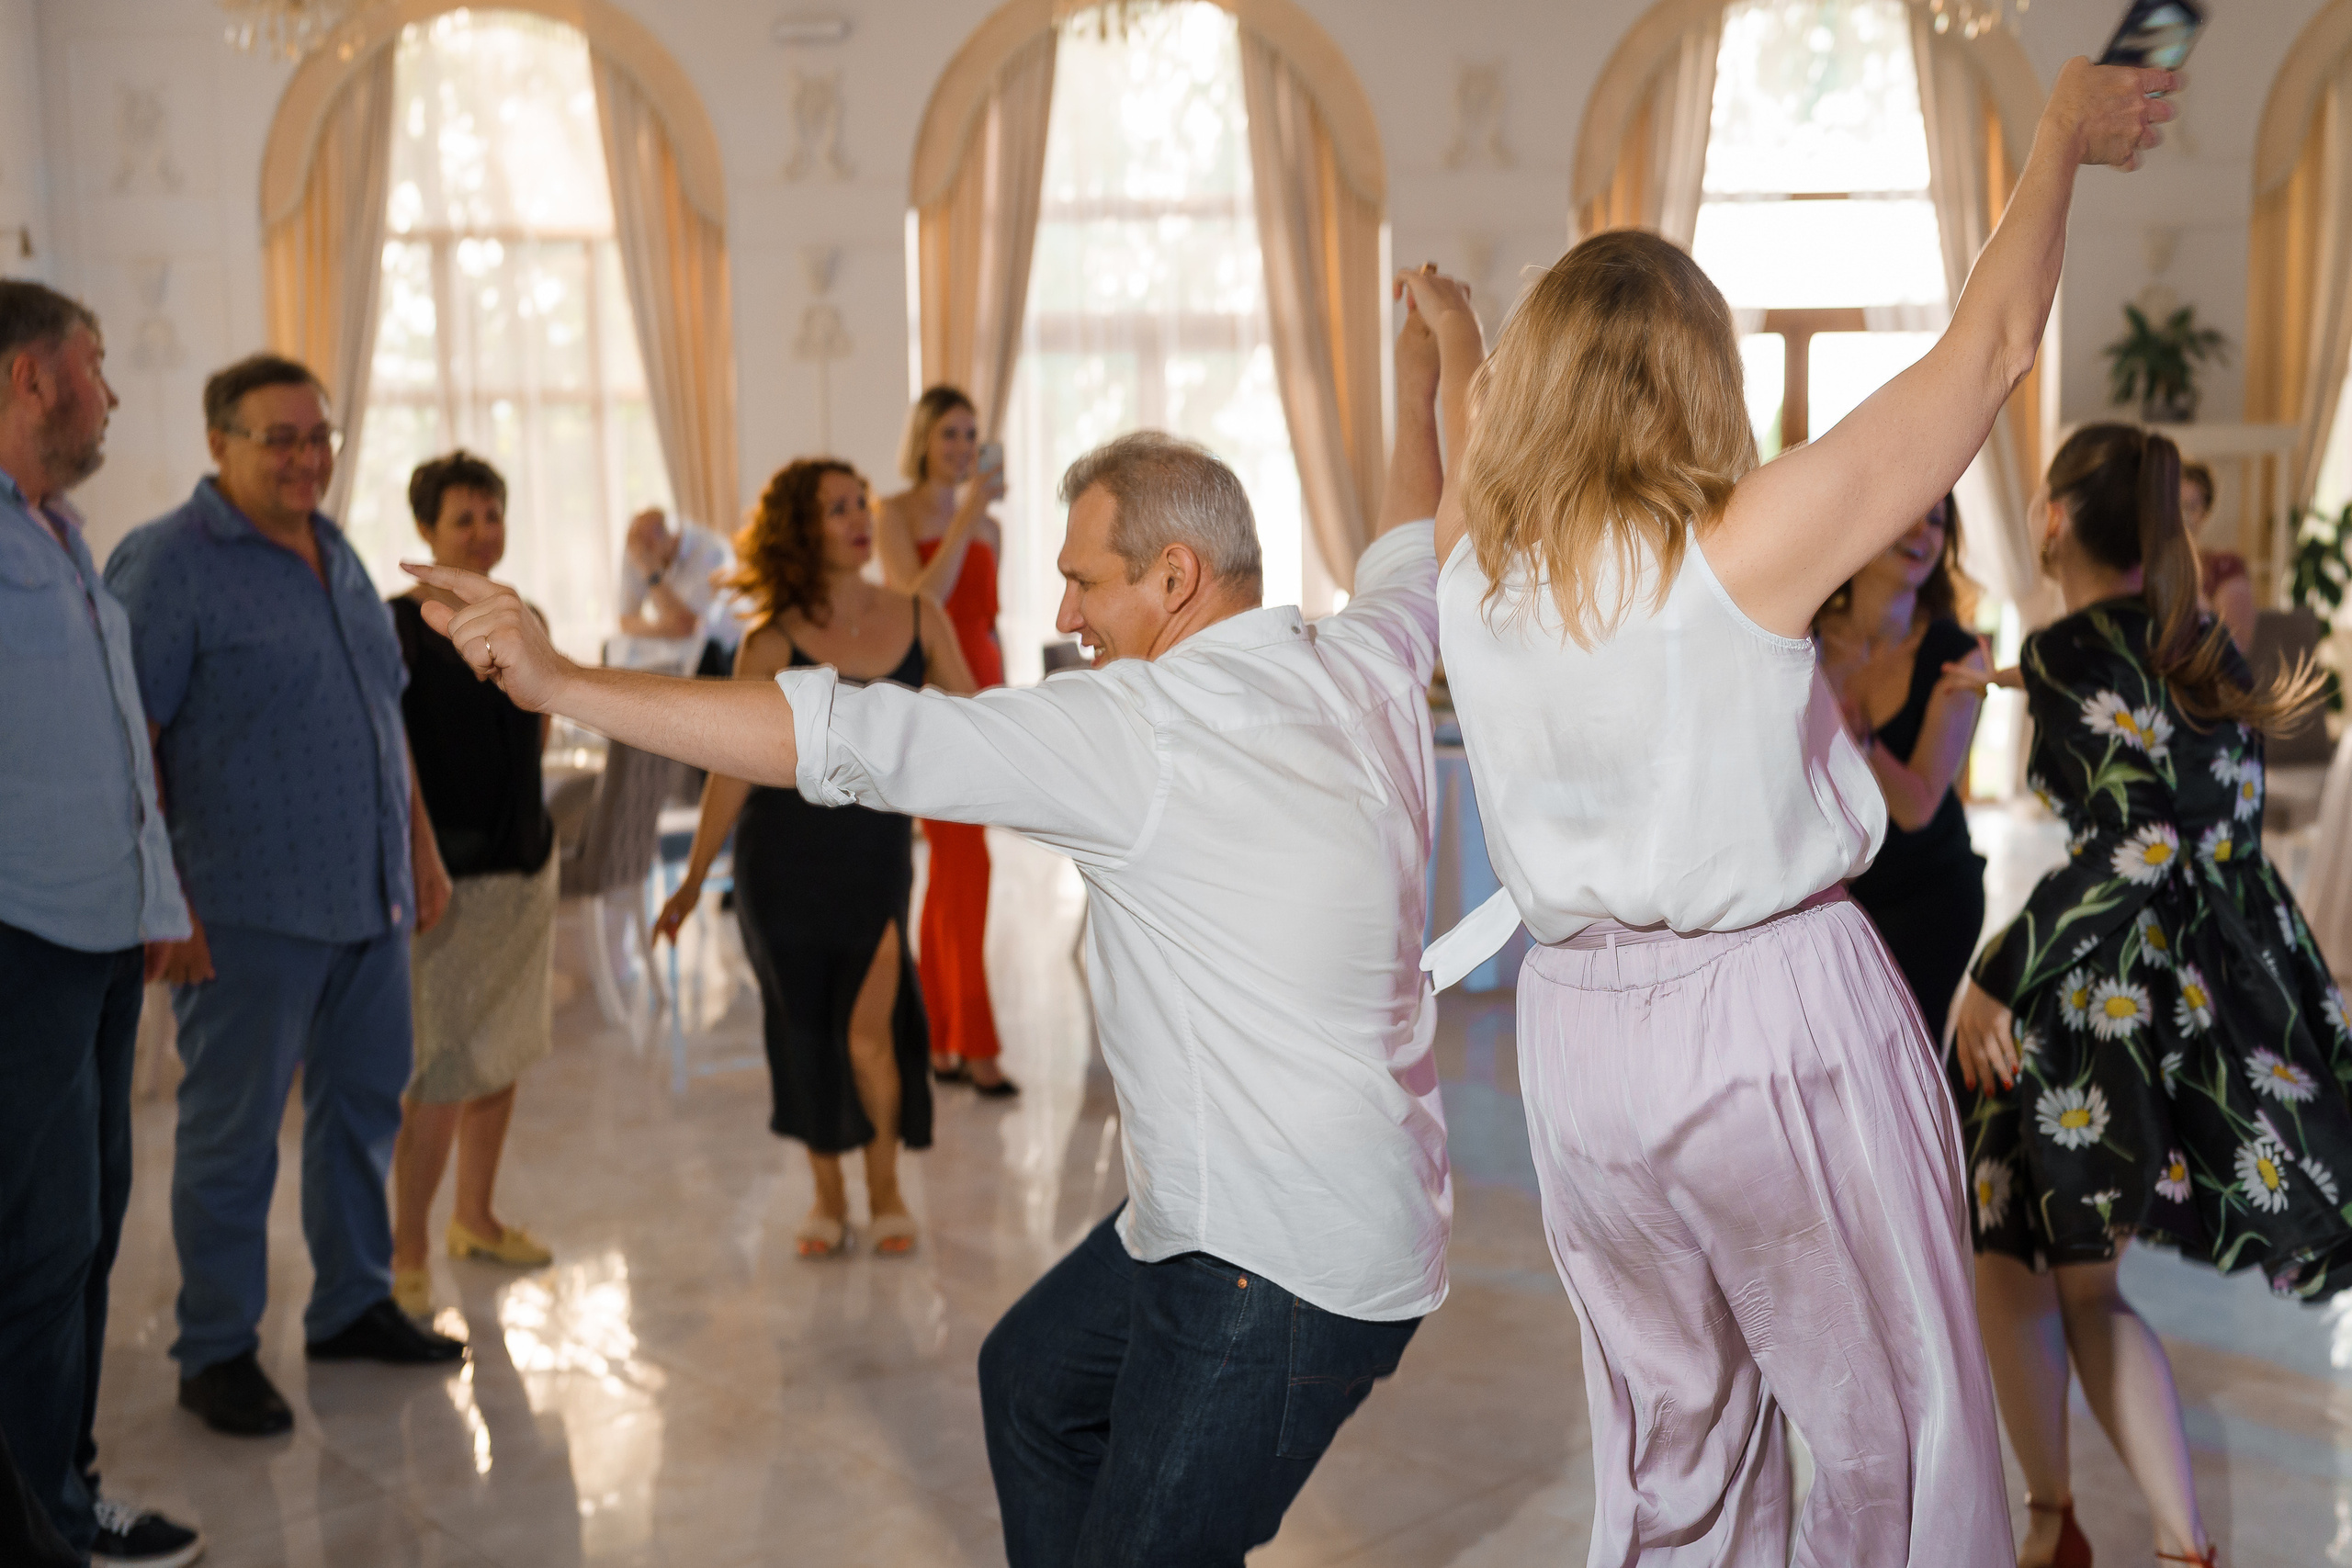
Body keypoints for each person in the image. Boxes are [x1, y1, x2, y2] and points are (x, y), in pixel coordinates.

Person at [408, 288, 1456, 1565]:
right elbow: (1413, 541)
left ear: (1176, 578)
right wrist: (1422, 375)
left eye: (1084, 581)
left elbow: (847, 735)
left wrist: (564, 682)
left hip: (1274, 1259)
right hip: (1301, 1208)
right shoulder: (1365, 659)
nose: (1064, 617)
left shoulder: (1142, 729)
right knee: (1032, 1384)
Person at [1414, 57, 2177, 1565]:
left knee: (1669, 1435)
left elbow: (1469, 435)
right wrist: (2054, 143)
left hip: (1577, 1045)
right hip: (1764, 1016)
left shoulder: (1471, 574)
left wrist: (1453, 342)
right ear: (1696, 376)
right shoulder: (1739, 549)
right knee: (1896, 1416)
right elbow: (1989, 351)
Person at [1949, 425, 2338, 1568]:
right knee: (2072, 1274)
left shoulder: (2073, 645)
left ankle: (2060, 1523)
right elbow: (2189, 807)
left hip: (2095, 991)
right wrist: (2025, 677)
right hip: (2199, 988)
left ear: (2054, 519)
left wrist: (1994, 974)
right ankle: (2166, 1543)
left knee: (2013, 1251)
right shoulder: (2198, 639)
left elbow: (2137, 835)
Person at [105, 352, 465, 1441]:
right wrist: (166, 901)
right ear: (219, 442)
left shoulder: (336, 548)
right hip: (243, 910)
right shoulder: (169, 563)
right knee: (234, 1138)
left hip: (370, 899)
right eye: (281, 440)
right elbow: (130, 743)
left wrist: (422, 851)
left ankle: (353, 1303)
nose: (307, 459)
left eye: (320, 438)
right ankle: (215, 1348)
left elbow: (383, 714)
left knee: (363, 1110)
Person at [0, 282, 204, 1566]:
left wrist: (159, 904)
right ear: (31, 377)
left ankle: (59, 1492)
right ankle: (41, 1527)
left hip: (100, 939)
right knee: (37, 1242)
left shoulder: (62, 535)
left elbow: (116, 751)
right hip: (20, 942)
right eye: (96, 364)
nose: (113, 392)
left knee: (81, 1235)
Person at [655, 459, 977, 1258]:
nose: (860, 518)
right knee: (803, 1031)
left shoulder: (920, 615)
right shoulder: (770, 641)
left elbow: (978, 729)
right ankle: (828, 1195)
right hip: (782, 866)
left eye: (859, 502)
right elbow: (731, 768)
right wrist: (692, 880)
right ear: (801, 529)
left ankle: (886, 1188)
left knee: (870, 1034)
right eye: (837, 509)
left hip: (875, 859)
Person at [389, 451, 558, 1319]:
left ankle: (475, 1218)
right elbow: (395, 758)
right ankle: (407, 1249)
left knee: (504, 1050)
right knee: (443, 1068)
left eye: (493, 515)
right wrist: (421, 857)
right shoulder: (399, 627)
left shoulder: (523, 616)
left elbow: (538, 729)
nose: (483, 533)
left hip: (524, 861)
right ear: (427, 529)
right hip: (448, 880)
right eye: (464, 519)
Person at [877, 386, 1014, 1093]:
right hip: (933, 699)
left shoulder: (990, 526)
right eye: (950, 434)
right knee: (968, 865)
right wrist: (964, 518)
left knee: (951, 875)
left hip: (984, 695)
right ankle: (976, 1043)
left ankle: (937, 1037)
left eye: (971, 434)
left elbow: (988, 621)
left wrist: (1010, 704)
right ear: (925, 440)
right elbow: (919, 601)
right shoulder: (894, 513)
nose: (962, 448)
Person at [1814, 493, 1990, 1038]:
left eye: (1936, 522)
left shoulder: (1959, 658)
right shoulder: (1804, 631)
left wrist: (1861, 743)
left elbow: (1918, 806)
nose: (1923, 533)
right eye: (1909, 513)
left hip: (1926, 897)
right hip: (1828, 898)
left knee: (1904, 1061)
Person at [617, 506, 741, 675]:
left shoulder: (711, 551)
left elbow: (686, 626)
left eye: (648, 546)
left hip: (723, 653)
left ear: (668, 533)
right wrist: (665, 629)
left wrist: (652, 574)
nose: (642, 552)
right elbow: (626, 621)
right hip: (683, 653)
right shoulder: (638, 549)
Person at [2182, 458, 2257, 656]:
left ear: (2204, 512)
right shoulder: (2144, 566)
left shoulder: (2225, 566)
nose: (2183, 517)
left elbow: (2236, 647)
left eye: (2191, 507)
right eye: (2175, 506)